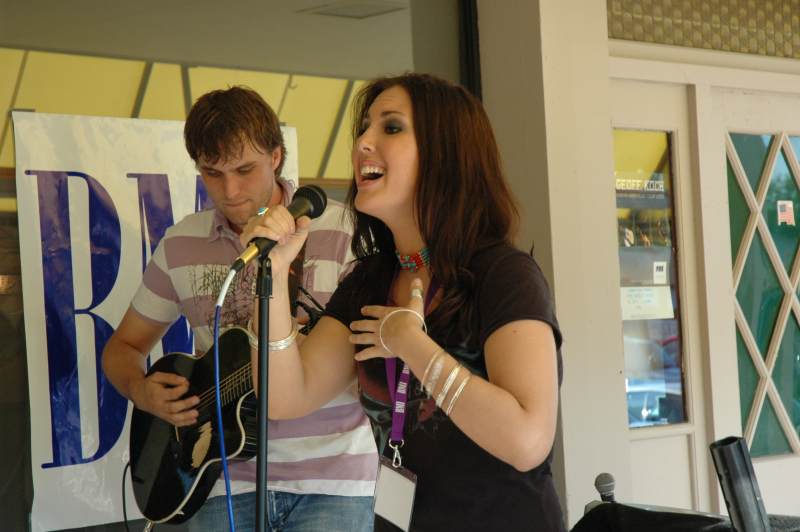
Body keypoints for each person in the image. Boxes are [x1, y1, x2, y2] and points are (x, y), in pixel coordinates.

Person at [242, 73, 565, 531]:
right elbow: (286, 396)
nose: (363, 143)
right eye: (364, 128)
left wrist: (410, 344)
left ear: (445, 153)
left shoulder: (503, 275)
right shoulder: (370, 281)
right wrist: (271, 277)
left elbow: (528, 440)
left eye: (390, 128)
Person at [101, 86, 377, 531]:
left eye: (245, 169)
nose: (230, 191)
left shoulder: (345, 232)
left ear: (276, 156)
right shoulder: (181, 242)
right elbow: (122, 348)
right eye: (212, 173)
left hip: (332, 482)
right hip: (218, 481)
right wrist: (142, 392)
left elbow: (366, 356)